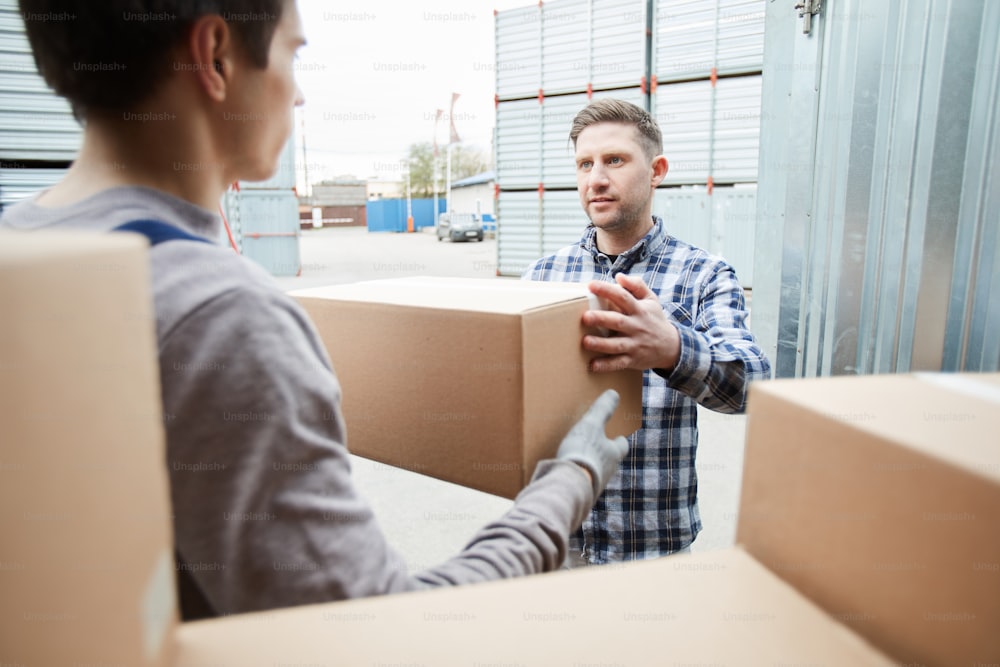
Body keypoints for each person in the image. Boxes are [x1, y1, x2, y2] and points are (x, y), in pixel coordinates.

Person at [1, 0, 629, 618]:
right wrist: (568, 481)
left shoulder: (21, 248)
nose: (298, 97)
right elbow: (371, 629)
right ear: (215, 56)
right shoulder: (223, 317)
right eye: (293, 54)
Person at [522, 98, 771, 565]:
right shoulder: (542, 273)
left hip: (652, 542)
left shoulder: (705, 273)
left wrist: (672, 349)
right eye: (584, 164)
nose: (596, 178)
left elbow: (752, 385)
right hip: (557, 535)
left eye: (614, 160)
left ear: (657, 170)